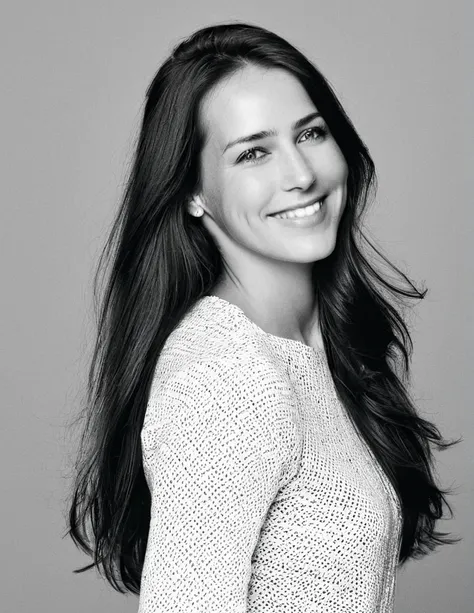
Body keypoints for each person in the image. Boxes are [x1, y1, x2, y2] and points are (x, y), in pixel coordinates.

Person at [66, 22, 460, 612]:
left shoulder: (316, 346)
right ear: (192, 193)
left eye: (311, 133)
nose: (300, 174)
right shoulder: (227, 379)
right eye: (253, 152)